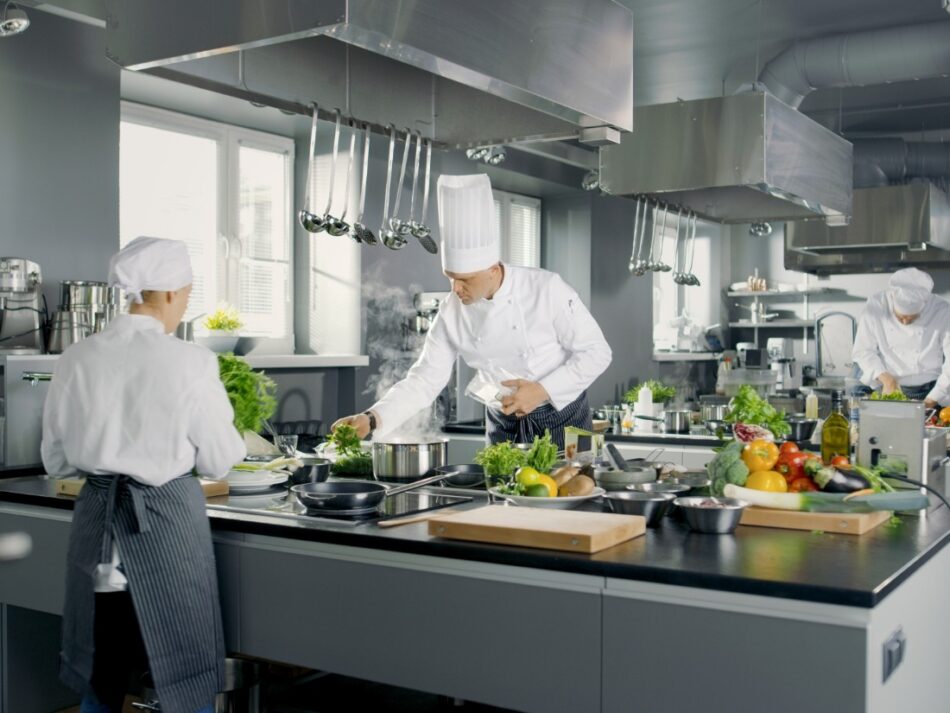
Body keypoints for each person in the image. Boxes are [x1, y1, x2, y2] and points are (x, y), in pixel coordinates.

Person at [42, 237, 246, 713]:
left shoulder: (78, 357)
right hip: (166, 531)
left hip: (96, 532)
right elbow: (219, 460)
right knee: (184, 674)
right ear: (173, 294)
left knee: (100, 672)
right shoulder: (192, 362)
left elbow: (55, 460)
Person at [334, 174, 612, 449]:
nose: (456, 288)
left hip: (563, 419)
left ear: (493, 270)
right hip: (504, 424)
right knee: (502, 492)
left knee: (576, 492)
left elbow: (597, 353)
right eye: (450, 277)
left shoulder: (546, 288)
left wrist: (541, 391)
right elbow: (424, 380)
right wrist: (371, 419)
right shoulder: (451, 312)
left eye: (465, 279)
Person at [852, 267, 950, 408]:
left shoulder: (942, 311)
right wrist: (887, 380)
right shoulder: (876, 305)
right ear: (892, 297)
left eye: (912, 318)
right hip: (886, 387)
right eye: (901, 317)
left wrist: (932, 399)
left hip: (929, 389)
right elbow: (863, 350)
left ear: (926, 303)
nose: (905, 322)